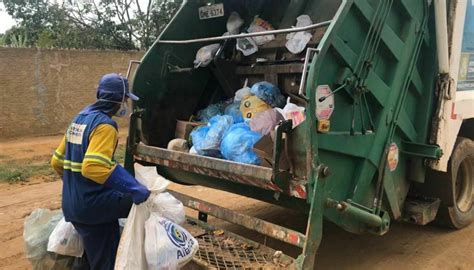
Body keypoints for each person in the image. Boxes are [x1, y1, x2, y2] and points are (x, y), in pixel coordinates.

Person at [50, 73, 151, 270]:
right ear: (120, 101)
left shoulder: (79, 119)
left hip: (72, 204)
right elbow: (94, 167)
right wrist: (134, 187)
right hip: (93, 209)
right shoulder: (105, 125)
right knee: (105, 261)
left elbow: (56, 161)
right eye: (126, 99)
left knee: (90, 257)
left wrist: (75, 187)